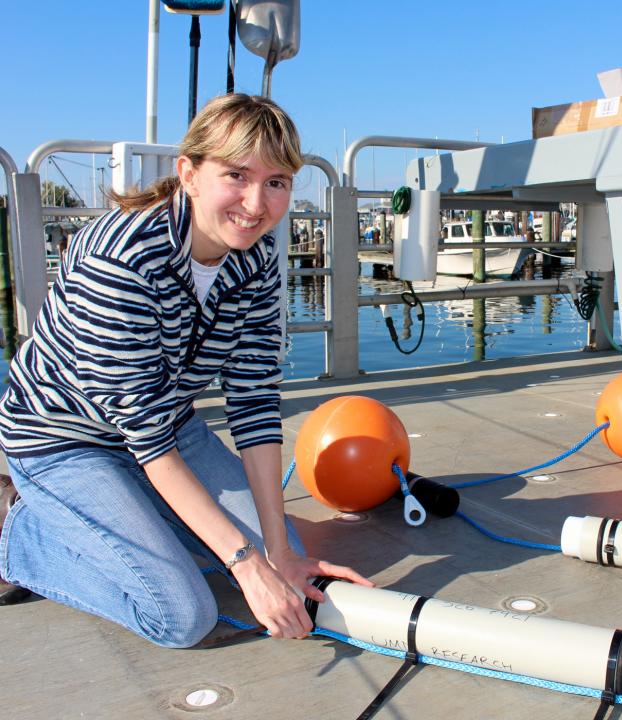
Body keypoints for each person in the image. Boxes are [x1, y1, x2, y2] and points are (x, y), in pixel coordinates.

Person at [0, 94, 371, 646]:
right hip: (65, 440)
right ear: (189, 174)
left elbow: (252, 400)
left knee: (274, 550)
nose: (256, 202)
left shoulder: (258, 257)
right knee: (180, 614)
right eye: (237, 175)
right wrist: (247, 564)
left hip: (169, 427)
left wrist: (278, 551)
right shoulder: (121, 261)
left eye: (276, 182)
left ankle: (144, 513)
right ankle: (16, 530)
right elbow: (146, 437)